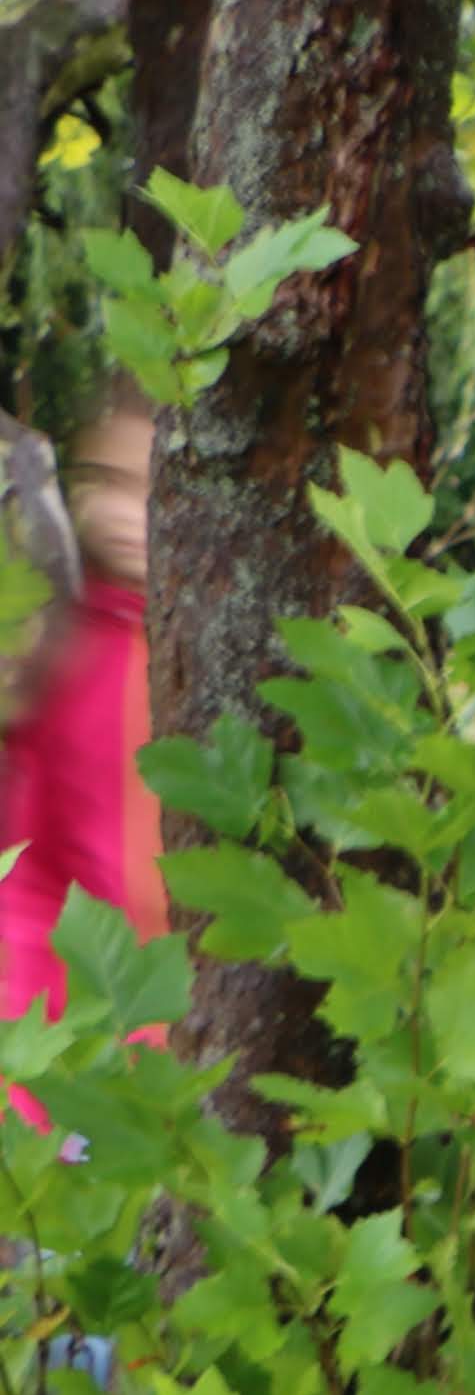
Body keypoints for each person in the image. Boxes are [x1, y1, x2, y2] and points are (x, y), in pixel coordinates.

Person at [0, 384, 163, 1028]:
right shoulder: (63, 643)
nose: (122, 513)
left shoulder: (184, 654)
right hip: (54, 1011)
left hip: (158, 1013)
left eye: (148, 490)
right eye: (106, 482)